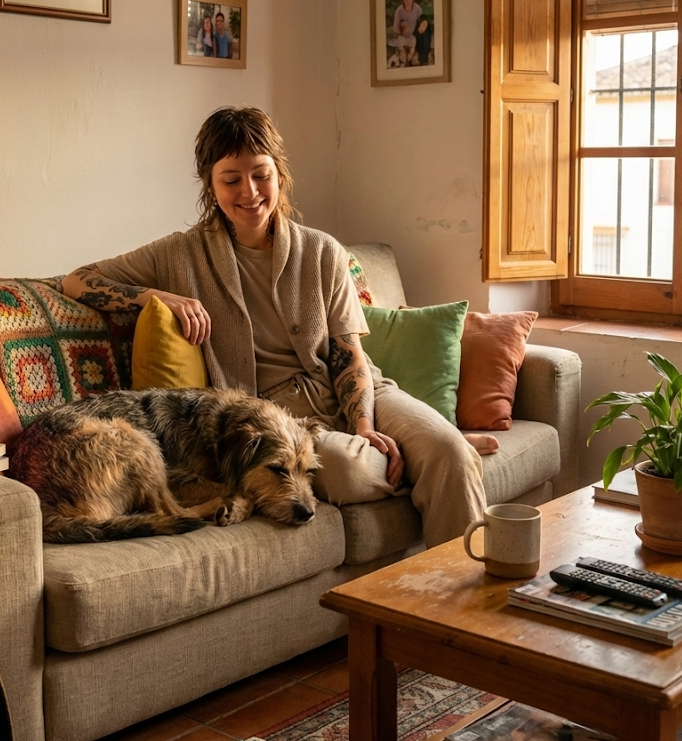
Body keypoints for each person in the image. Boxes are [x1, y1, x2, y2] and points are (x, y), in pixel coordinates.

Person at [61, 107, 497, 548]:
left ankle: (457, 600)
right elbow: (76, 280)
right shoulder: (178, 254)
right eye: (231, 179)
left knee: (451, 455)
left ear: (280, 175)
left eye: (260, 175)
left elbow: (348, 355)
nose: (249, 192)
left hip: (362, 393)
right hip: (277, 420)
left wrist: (363, 425)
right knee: (349, 472)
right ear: (210, 185)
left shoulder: (322, 251)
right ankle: (431, 458)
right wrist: (154, 296)